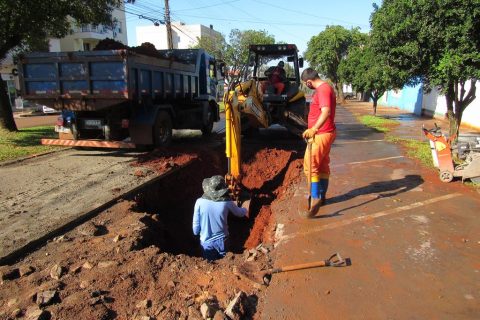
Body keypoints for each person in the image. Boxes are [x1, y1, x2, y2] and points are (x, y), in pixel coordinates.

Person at [301, 68, 336, 218]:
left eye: (305, 84)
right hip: (327, 133)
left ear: (309, 81)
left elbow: (326, 111)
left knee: (310, 165)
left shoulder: (322, 90)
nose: (306, 85)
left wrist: (314, 129)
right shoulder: (326, 88)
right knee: (322, 165)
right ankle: (321, 196)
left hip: (321, 134)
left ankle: (315, 198)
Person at [192, 175, 249, 260]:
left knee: (211, 266)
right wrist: (245, 209)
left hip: (207, 244)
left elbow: (195, 231)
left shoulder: (199, 202)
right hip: (223, 241)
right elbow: (239, 213)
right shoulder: (227, 202)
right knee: (225, 264)